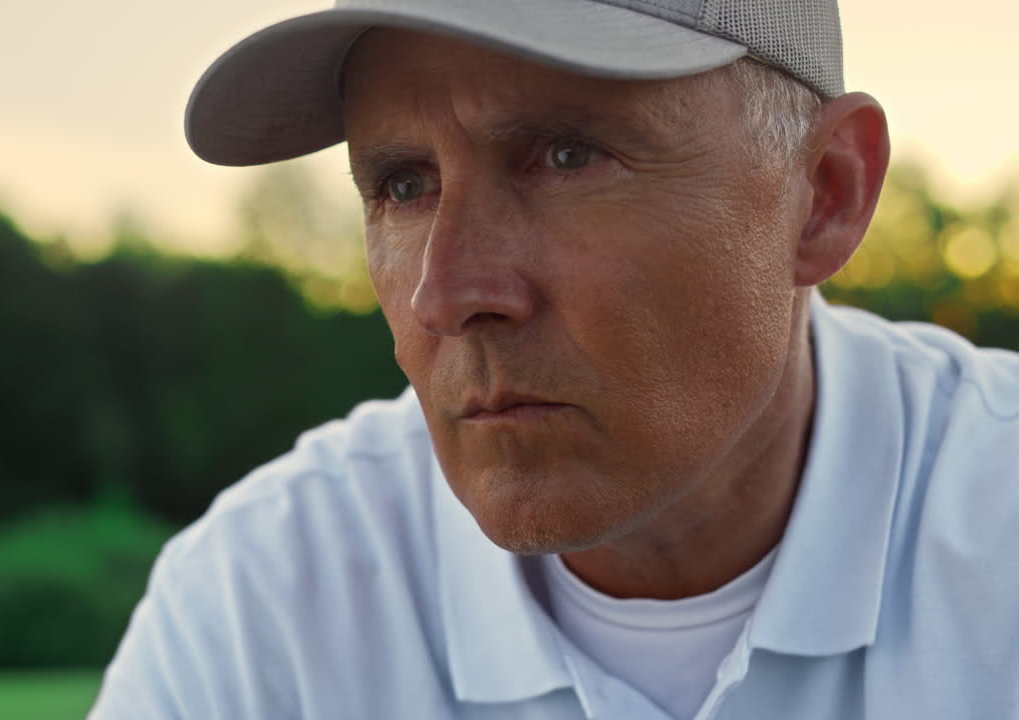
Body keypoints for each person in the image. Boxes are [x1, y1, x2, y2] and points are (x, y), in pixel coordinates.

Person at [90, 1, 1019, 718]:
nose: (447, 293)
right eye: (403, 185)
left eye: (568, 156)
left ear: (825, 195)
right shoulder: (265, 602)